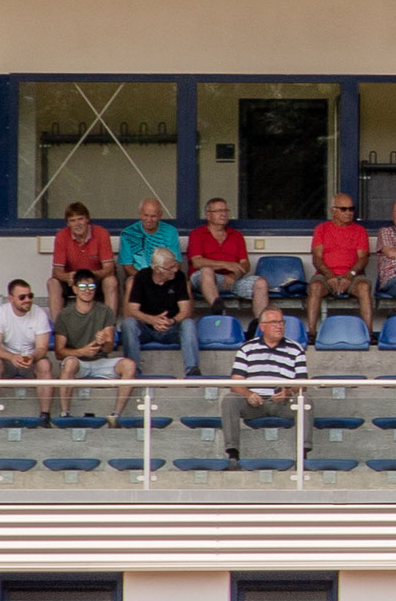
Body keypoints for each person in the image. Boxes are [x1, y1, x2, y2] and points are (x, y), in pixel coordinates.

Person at [221, 308, 308, 464]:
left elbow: (303, 383)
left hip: (282, 402)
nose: (279, 326)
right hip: (254, 402)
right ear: (262, 326)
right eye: (274, 322)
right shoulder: (247, 348)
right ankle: (233, 454)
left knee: (305, 401)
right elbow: (235, 382)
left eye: (281, 322)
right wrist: (248, 394)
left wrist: (288, 392)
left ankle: (303, 456)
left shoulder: (296, 349)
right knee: (230, 400)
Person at [52, 270, 136, 423]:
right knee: (70, 363)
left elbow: (109, 349)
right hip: (78, 363)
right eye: (83, 286)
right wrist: (81, 351)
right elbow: (59, 353)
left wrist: (105, 342)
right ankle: (65, 413)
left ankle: (116, 415)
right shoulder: (64, 315)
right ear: (74, 289)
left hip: (100, 361)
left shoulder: (105, 311)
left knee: (129, 365)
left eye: (91, 286)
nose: (87, 290)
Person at [186, 197, 268, 322]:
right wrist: (226, 264)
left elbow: (245, 264)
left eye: (225, 210)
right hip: (202, 280)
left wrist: (233, 275)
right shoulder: (197, 234)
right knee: (207, 271)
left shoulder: (236, 235)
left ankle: (261, 326)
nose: (223, 214)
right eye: (219, 211)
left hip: (229, 280)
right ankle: (220, 312)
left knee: (261, 283)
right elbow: (197, 262)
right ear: (208, 215)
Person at [123, 247, 202, 377]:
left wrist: (172, 321)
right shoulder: (142, 277)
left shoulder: (179, 277)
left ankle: (192, 370)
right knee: (128, 323)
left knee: (188, 323)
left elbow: (185, 310)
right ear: (157, 269)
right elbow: (132, 310)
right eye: (170, 268)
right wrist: (152, 320)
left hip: (171, 328)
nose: (175, 270)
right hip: (146, 329)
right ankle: (133, 372)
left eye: (175, 265)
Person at [0, 277, 54, 423]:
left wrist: (32, 357)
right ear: (11, 298)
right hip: (7, 360)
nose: (27, 300)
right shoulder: (1, 312)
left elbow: (42, 348)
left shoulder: (39, 313)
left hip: (31, 360)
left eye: (30, 296)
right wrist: (11, 357)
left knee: (45, 365)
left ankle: (45, 416)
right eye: (22, 297)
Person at [306, 195, 373, 334]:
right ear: (333, 210)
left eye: (351, 209)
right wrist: (329, 275)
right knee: (315, 287)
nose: (349, 212)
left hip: (354, 275)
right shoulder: (322, 229)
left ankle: (369, 333)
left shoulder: (359, 230)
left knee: (364, 288)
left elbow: (363, 259)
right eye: (344, 209)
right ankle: (312, 332)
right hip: (325, 275)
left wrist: (349, 276)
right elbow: (317, 258)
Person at [48, 202, 116, 319]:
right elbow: (57, 271)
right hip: (72, 281)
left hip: (95, 280)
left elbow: (109, 268)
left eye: (80, 219)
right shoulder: (61, 236)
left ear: (87, 219)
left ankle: (110, 326)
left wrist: (90, 276)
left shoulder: (101, 233)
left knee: (111, 281)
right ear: (68, 223)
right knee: (52, 283)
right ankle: (58, 329)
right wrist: (68, 277)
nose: (77, 224)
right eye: (73, 220)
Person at [116, 197, 181, 301]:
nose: (149, 220)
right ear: (140, 214)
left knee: (184, 283)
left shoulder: (171, 231)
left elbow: (177, 262)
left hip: (166, 275)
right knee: (130, 283)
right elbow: (128, 267)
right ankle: (129, 317)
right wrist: (148, 280)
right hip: (139, 276)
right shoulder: (128, 233)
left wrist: (163, 277)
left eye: (153, 216)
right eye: (145, 215)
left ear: (160, 215)